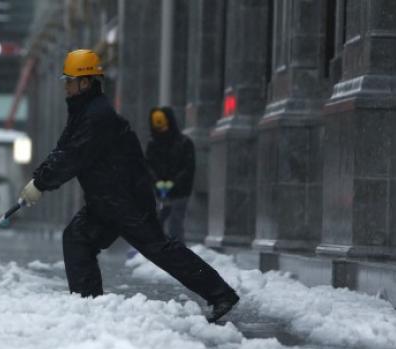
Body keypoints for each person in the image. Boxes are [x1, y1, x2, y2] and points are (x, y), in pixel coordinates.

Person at [19, 49, 238, 322]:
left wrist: (41, 183)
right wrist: (38, 178)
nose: (66, 85)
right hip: (106, 201)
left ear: (85, 82)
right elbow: (62, 149)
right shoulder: (83, 111)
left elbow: (74, 156)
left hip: (126, 200)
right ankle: (89, 305)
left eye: (70, 80)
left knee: (159, 249)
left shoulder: (97, 116)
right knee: (77, 238)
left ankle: (221, 294)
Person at [145, 107, 195, 242]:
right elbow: (148, 166)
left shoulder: (184, 143)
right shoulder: (153, 144)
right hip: (161, 192)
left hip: (180, 192)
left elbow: (188, 167)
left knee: (175, 224)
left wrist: (173, 182)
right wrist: (157, 182)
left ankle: (177, 254)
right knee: (159, 221)